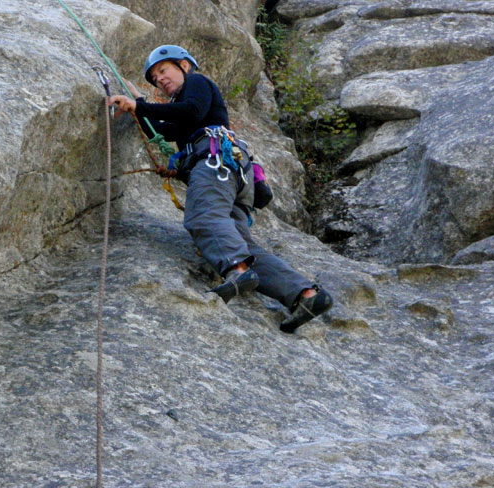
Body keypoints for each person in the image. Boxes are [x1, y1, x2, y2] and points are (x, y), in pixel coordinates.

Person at [108, 45, 333, 333]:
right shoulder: (190, 114)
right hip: (234, 176)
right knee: (241, 242)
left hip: (215, 164)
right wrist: (136, 107)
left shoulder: (197, 83)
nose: (160, 80)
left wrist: (140, 105)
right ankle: (305, 295)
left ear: (185, 66)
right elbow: (165, 129)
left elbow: (190, 111)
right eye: (154, 78)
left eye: (163, 70)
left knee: (203, 217)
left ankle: (237, 270)